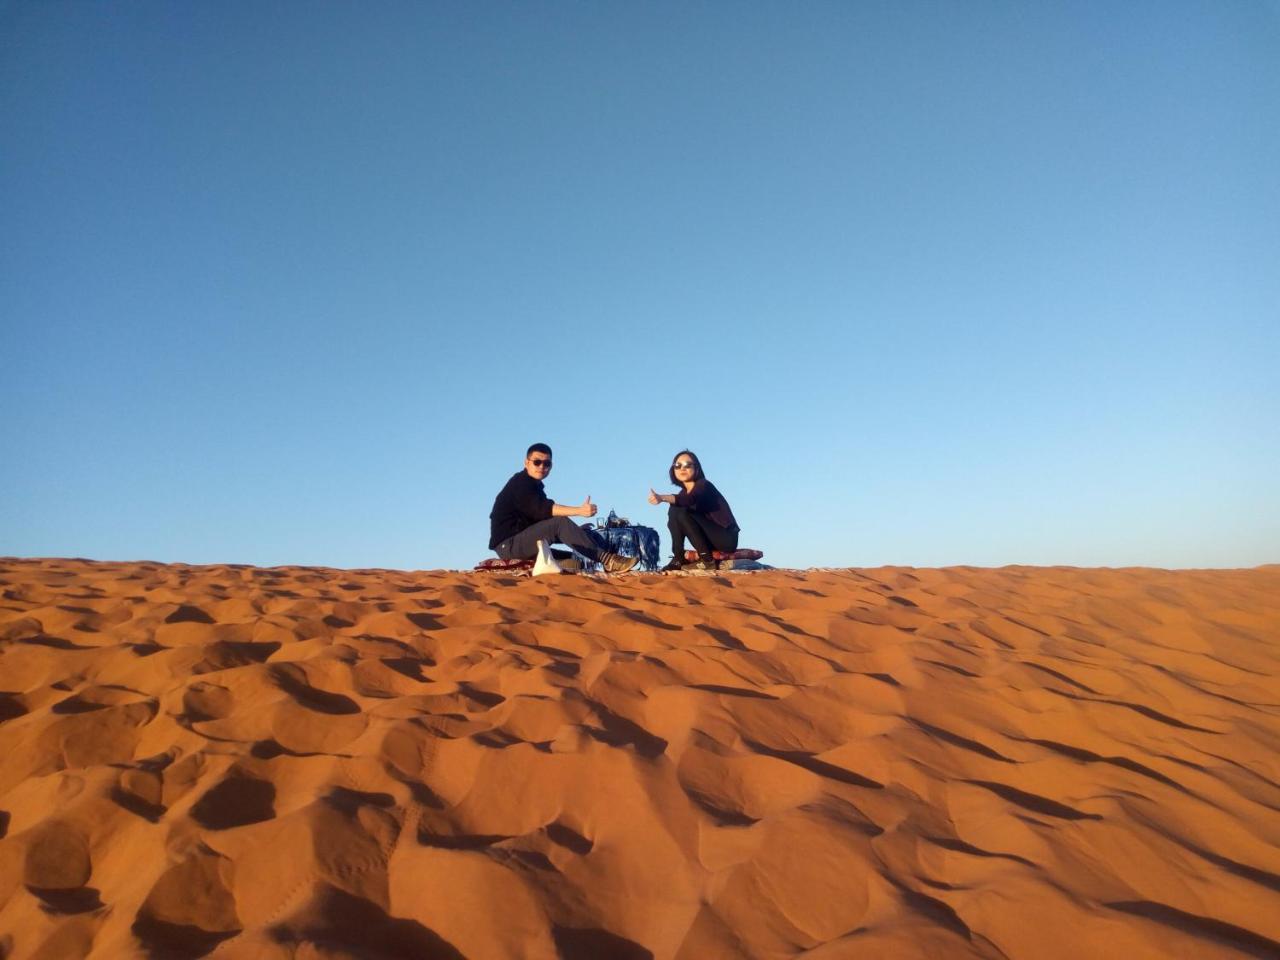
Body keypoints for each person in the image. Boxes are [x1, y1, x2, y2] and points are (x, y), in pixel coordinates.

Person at [490, 443, 639, 574]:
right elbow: (544, 510)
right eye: (537, 462)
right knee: (560, 522)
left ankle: (596, 564)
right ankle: (609, 560)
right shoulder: (521, 483)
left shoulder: (535, 487)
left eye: (546, 464)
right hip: (509, 546)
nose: (542, 467)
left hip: (522, 544)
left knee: (574, 561)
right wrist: (579, 511)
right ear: (526, 463)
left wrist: (575, 531)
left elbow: (542, 521)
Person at [648, 450, 739, 571]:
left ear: (696, 468)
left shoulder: (704, 485)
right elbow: (681, 503)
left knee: (679, 508)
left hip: (726, 537)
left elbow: (690, 499)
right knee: (675, 509)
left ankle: (707, 561)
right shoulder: (683, 494)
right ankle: (678, 557)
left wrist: (662, 497)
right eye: (678, 466)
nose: (682, 469)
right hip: (708, 539)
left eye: (688, 465)